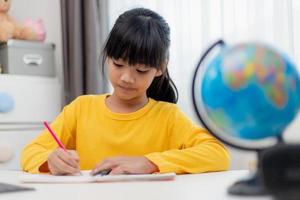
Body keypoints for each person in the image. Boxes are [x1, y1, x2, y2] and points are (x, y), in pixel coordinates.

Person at [21, 8, 229, 175]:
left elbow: (218, 154)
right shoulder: (80, 109)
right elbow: (30, 153)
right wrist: (51, 160)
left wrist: (150, 163)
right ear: (107, 56)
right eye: (118, 64)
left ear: (160, 68)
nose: (126, 78)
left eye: (141, 70)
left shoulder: (168, 117)